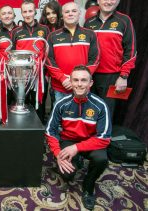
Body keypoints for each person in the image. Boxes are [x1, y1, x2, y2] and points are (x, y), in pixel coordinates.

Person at [45, 65, 111, 210]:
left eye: (83, 80)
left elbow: (104, 138)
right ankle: (76, 160)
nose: (79, 84)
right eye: (75, 80)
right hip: (68, 141)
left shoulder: (101, 105)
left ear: (90, 83)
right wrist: (57, 154)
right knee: (67, 175)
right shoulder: (61, 104)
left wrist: (77, 148)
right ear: (71, 82)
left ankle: (88, 186)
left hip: (90, 142)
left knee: (101, 159)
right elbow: (50, 131)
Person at [84, 0, 136, 119]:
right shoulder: (89, 23)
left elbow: (131, 50)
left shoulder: (124, 21)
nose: (108, 2)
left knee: (106, 112)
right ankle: (90, 137)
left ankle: (104, 138)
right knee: (89, 109)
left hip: (112, 76)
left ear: (117, 0)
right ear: (98, 0)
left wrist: (123, 76)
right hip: (90, 74)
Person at [46, 2, 99, 103]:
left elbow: (95, 59)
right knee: (60, 117)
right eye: (67, 12)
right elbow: (49, 60)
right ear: (62, 15)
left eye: (74, 11)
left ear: (79, 14)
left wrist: (81, 78)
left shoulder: (90, 34)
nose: (70, 14)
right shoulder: (52, 36)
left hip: (82, 86)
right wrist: (62, 78)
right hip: (60, 87)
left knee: (81, 117)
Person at [11, 0, 50, 123]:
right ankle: (23, 129)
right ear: (21, 13)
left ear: (35, 12)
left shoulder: (45, 29)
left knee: (39, 101)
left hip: (40, 73)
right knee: (22, 101)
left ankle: (39, 129)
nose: (28, 14)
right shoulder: (16, 31)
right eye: (25, 12)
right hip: (21, 74)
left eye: (30, 11)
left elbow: (49, 52)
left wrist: (47, 72)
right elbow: (12, 54)